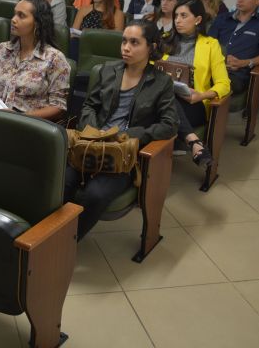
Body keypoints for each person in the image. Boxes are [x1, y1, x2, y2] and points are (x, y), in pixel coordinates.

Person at [63, 20, 178, 239]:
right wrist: (95, 133)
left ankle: (68, 242)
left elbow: (170, 125)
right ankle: (50, 236)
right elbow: (90, 105)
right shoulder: (107, 70)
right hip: (91, 145)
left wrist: (131, 135)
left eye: (135, 43)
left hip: (123, 154)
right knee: (62, 183)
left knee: (95, 194)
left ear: (151, 47)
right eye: (124, 41)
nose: (126, 47)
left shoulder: (161, 82)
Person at [161, 0, 230, 166]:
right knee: (164, 97)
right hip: (163, 99)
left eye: (184, 16)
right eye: (176, 16)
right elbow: (152, 69)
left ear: (198, 19)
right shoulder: (165, 40)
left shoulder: (211, 45)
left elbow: (224, 84)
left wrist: (201, 95)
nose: (178, 20)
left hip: (193, 104)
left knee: (165, 101)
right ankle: (194, 142)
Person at [0, 0, 71, 120]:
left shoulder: (54, 58)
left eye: (21, 15)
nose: (13, 19)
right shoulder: (3, 49)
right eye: (14, 14)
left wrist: (21, 117)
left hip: (29, 125)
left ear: (38, 23)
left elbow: (58, 107)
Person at [208, 0, 259, 95]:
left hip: (236, 75)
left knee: (209, 84)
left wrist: (243, 63)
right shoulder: (223, 18)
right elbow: (207, 45)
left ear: (258, 1)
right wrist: (221, 61)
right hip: (212, 68)